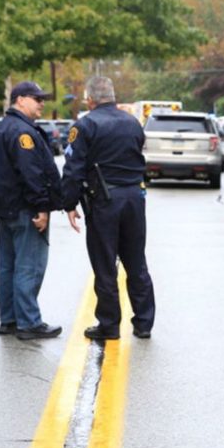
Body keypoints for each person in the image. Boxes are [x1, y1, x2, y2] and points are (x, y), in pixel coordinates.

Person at [61, 76, 155, 340]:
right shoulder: (133, 123)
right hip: (135, 198)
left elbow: (73, 169)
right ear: (112, 96)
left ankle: (109, 324)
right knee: (136, 261)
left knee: (105, 265)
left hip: (104, 201)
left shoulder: (86, 125)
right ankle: (144, 322)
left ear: (90, 99)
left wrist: (68, 203)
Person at [0, 81, 63, 340]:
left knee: (8, 267)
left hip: (6, 209)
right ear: (19, 100)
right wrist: (41, 207)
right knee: (30, 266)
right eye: (36, 98)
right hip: (25, 209)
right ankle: (29, 322)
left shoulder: (2, 129)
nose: (42, 103)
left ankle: (9, 319)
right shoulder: (22, 132)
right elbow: (31, 173)